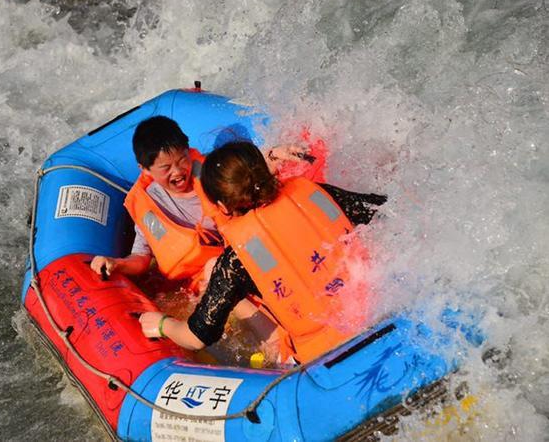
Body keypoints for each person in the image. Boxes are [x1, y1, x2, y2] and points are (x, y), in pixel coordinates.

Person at [138, 141, 387, 364]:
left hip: (324, 357)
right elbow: (384, 212)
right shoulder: (314, 193)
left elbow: (196, 337)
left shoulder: (234, 260)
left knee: (214, 272)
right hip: (380, 313)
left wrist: (163, 324)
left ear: (222, 205)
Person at [90, 116, 299, 294]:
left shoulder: (211, 173)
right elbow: (142, 257)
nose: (178, 171)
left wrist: (272, 156)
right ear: (145, 169)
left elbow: (246, 175)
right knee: (210, 271)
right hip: (202, 284)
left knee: (215, 267)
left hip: (243, 257)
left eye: (182, 160)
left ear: (189, 150)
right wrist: (116, 263)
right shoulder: (149, 204)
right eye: (166, 168)